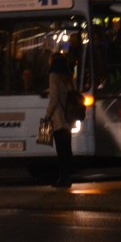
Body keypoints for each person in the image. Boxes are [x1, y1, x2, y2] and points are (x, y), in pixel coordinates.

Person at [43, 51, 76, 188]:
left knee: (60, 150)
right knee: (67, 149)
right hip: (68, 118)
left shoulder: (53, 76)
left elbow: (54, 97)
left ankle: (62, 178)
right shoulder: (68, 77)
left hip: (58, 118)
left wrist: (47, 115)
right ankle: (67, 177)